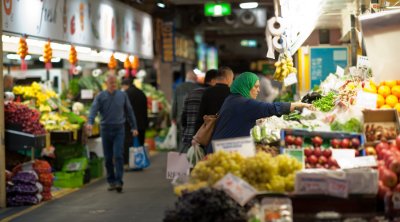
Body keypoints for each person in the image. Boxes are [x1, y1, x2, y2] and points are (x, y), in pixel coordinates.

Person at [207, 72, 312, 154]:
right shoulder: (244, 103)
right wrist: (299, 104)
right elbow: (272, 108)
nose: (258, 90)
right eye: (256, 87)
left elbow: (239, 119)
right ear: (246, 86)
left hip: (221, 147)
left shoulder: (232, 99)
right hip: (223, 152)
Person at [87, 74, 138, 193]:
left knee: (118, 155)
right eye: (111, 83)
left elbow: (129, 111)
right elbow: (93, 109)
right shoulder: (100, 96)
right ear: (106, 84)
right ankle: (111, 180)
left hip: (119, 129)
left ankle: (119, 181)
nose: (113, 85)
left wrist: (134, 127)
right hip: (105, 129)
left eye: (115, 83)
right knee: (108, 157)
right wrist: (90, 122)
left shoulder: (122, 95)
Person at [180, 69, 218, 153]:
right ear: (213, 80)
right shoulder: (213, 95)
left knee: (189, 165)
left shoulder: (192, 93)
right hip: (205, 139)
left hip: (189, 137)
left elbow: (183, 118)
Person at [195, 67, 234, 131]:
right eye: (232, 79)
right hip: (226, 133)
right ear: (228, 78)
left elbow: (200, 116)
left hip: (210, 133)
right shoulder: (232, 94)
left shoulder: (207, 92)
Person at [121, 78, 149, 165]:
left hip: (131, 125)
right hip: (142, 123)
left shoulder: (126, 94)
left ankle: (130, 163)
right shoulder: (141, 93)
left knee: (129, 145)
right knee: (140, 144)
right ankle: (139, 162)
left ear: (125, 85)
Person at [171, 70, 198, 150]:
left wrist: (173, 117)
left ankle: (182, 157)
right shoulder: (198, 88)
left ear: (186, 78)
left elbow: (174, 104)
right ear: (195, 79)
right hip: (195, 119)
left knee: (182, 140)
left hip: (181, 118)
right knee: (194, 140)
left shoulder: (178, 88)